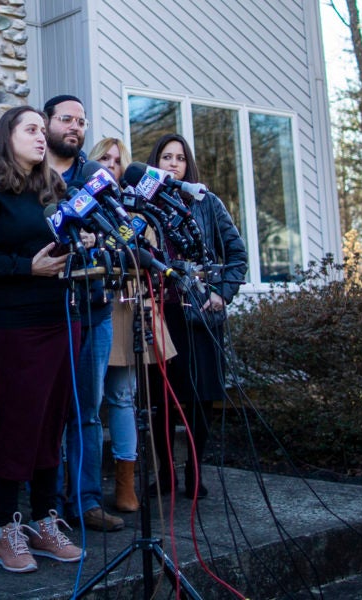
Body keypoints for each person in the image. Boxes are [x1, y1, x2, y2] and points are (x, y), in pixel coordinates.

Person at [0, 105, 84, 573]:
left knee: (52, 420)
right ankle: (7, 527)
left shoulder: (53, 188)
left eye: (40, 129)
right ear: (7, 136)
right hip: (13, 324)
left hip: (60, 319)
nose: (39, 137)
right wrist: (24, 267)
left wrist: (83, 243)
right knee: (17, 422)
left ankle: (44, 518)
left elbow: (62, 239)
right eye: (30, 129)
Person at [143, 133, 248, 500]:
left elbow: (237, 255)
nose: (173, 164)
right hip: (159, 313)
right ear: (155, 163)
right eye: (166, 157)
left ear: (189, 165)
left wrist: (222, 293)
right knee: (162, 398)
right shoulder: (141, 203)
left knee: (200, 397)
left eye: (180, 158)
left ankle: (195, 472)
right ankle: (167, 473)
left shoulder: (206, 202)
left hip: (199, 312)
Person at [43, 96, 124, 532]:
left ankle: (86, 500)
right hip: (48, 313)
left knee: (88, 412)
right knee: (52, 410)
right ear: (46, 123)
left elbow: (123, 229)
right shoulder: (30, 175)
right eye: (66, 119)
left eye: (81, 121)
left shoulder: (96, 177)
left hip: (95, 309)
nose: (75, 127)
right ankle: (49, 504)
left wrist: (107, 245)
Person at [87, 137, 140, 512]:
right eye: (103, 158)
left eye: (117, 161)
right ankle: (81, 488)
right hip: (86, 306)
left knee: (122, 397)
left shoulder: (132, 207)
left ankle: (126, 483)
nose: (110, 165)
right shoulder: (83, 201)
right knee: (86, 403)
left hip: (122, 307)